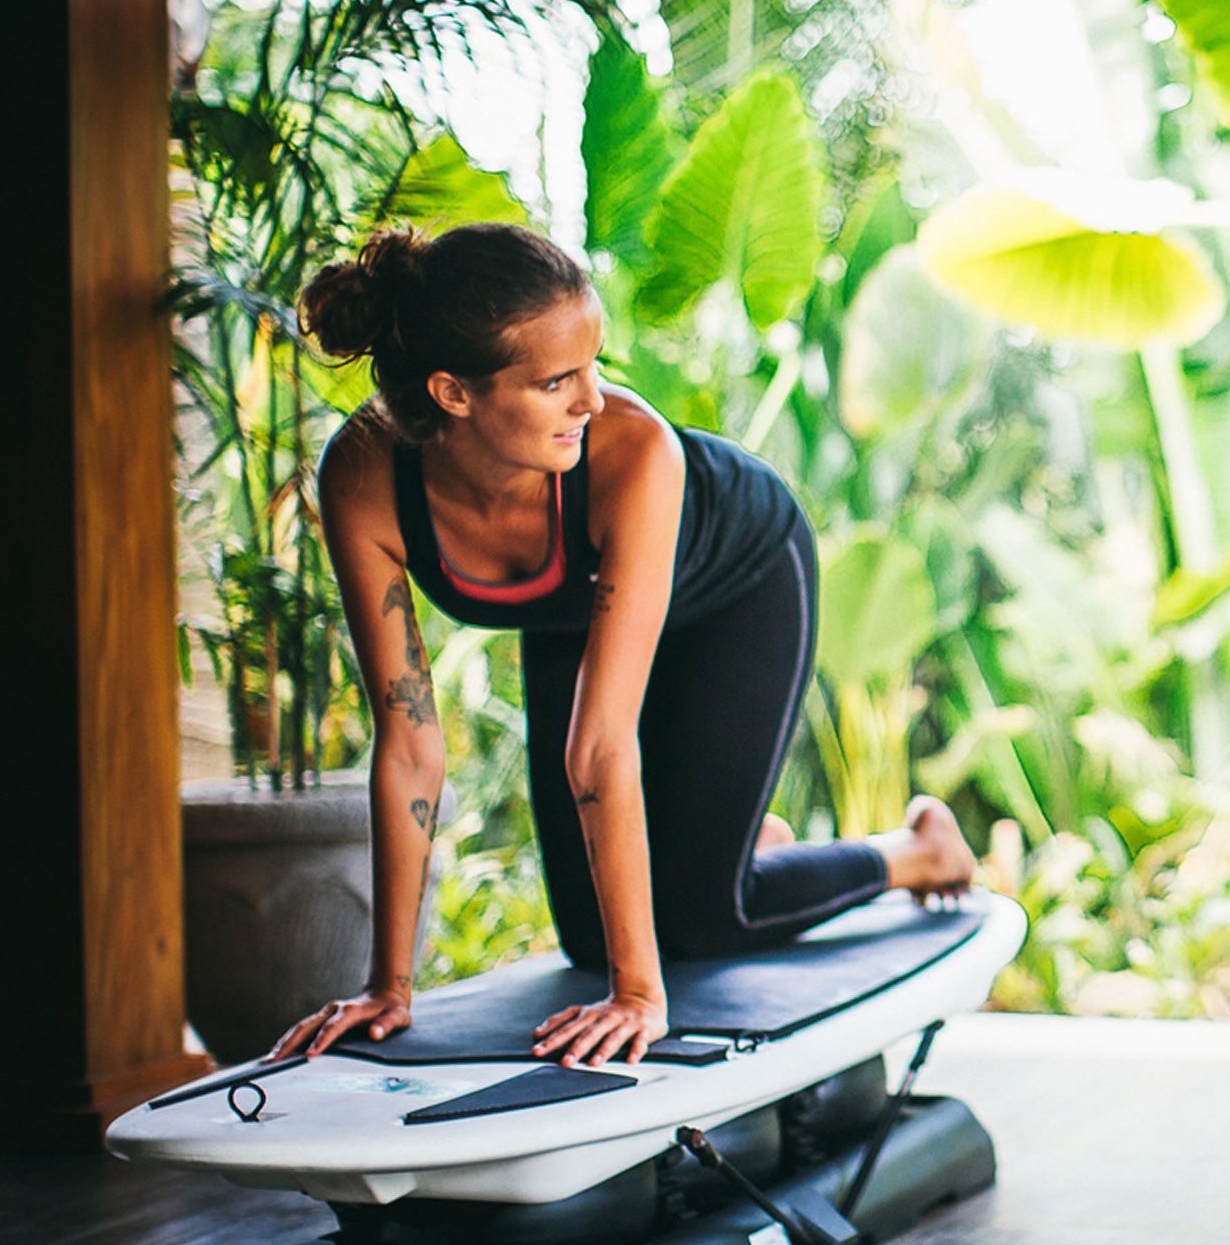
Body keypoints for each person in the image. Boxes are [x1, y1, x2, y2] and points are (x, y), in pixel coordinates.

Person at [267, 223, 978, 1070]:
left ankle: (919, 851)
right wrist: (390, 985)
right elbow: (411, 745)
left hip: (737, 582)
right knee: (583, 934)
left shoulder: (634, 452)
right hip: (574, 612)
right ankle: (743, 844)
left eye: (592, 365)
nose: (593, 399)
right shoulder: (365, 477)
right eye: (557, 379)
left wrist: (640, 994)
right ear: (453, 393)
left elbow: (599, 747)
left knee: (701, 921)